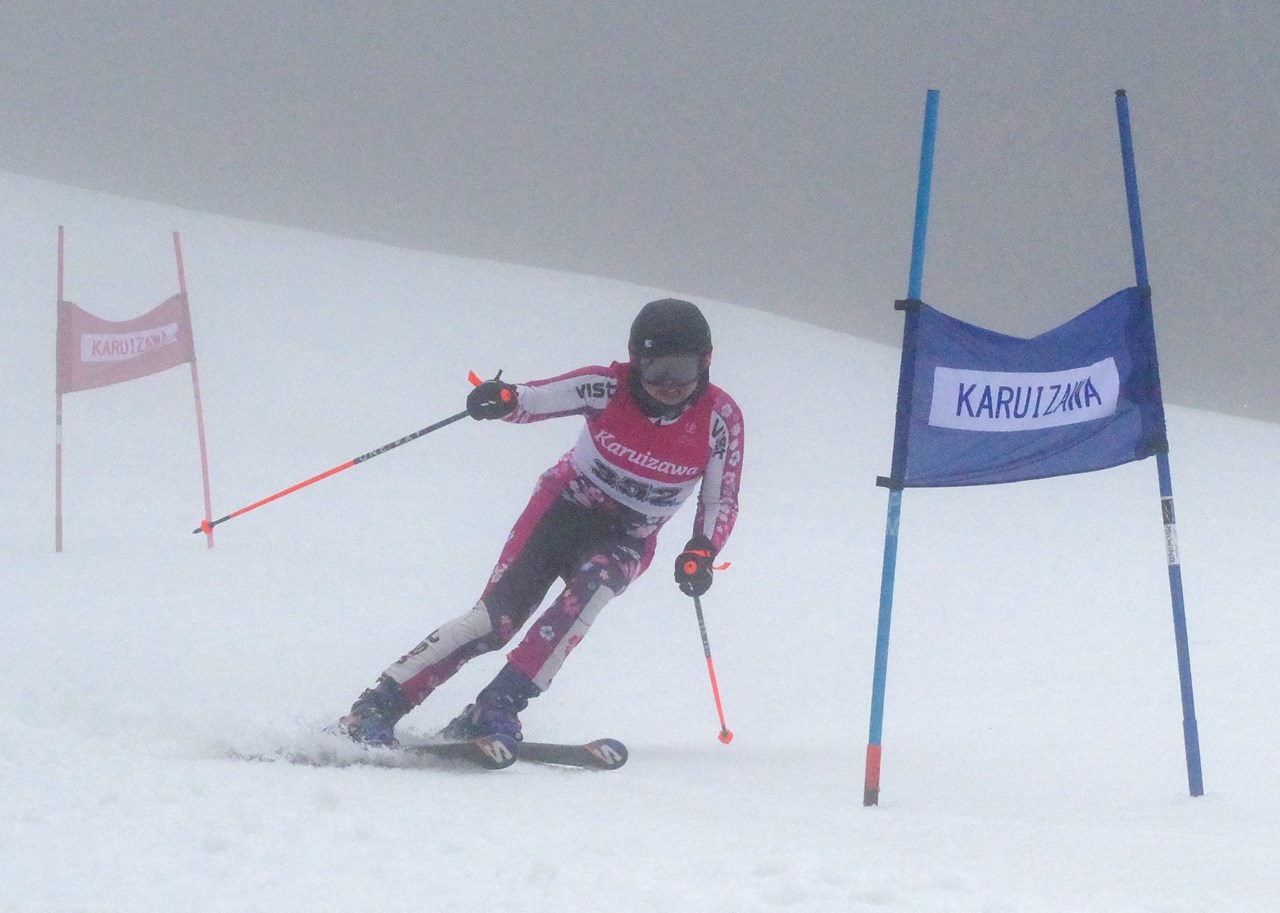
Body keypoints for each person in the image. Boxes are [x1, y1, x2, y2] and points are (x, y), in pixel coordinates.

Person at [336, 298, 744, 745]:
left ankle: (497, 706)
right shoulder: (606, 386)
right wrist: (504, 399)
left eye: (682, 370)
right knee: (496, 621)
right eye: (657, 369)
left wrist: (702, 550)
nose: (669, 384)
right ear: (635, 360)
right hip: (562, 512)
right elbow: (534, 399)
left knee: (591, 593)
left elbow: (719, 499)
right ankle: (378, 705)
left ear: (706, 362)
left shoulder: (719, 421)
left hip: (628, 537)